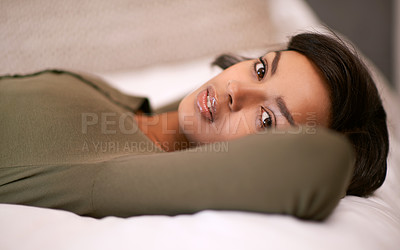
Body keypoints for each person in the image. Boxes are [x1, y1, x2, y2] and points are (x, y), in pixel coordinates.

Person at [0, 32, 389, 220]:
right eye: (261, 68)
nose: (236, 89)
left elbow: (323, 160)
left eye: (268, 118)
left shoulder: (114, 173)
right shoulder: (125, 105)